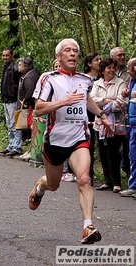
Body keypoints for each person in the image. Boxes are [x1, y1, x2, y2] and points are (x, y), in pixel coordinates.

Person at [28, 38, 114, 244]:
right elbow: (38, 108)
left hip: (79, 138)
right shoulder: (48, 79)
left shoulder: (85, 80)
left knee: (84, 179)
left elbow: (87, 100)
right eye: (68, 50)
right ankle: (40, 186)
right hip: (55, 140)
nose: (73, 54)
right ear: (59, 56)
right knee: (53, 184)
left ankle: (88, 226)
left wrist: (102, 116)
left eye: (75, 50)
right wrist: (63, 102)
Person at [91, 57, 128, 193]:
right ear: (102, 70)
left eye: (113, 67)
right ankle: (107, 181)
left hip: (115, 124)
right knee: (103, 152)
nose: (112, 70)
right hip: (99, 124)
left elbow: (121, 103)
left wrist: (103, 103)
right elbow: (92, 100)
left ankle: (116, 182)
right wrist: (108, 100)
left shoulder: (121, 83)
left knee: (113, 152)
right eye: (109, 67)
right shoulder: (97, 84)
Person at [111, 47, 131, 177]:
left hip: (128, 111)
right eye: (119, 55)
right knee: (112, 145)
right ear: (113, 57)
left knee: (127, 142)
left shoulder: (129, 72)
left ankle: (127, 168)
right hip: (112, 114)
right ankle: (113, 177)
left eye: (123, 55)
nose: (122, 57)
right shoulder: (109, 70)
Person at [0, 49, 22, 157]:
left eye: (7, 55)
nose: (5, 57)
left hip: (13, 100)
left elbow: (19, 84)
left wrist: (17, 98)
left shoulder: (15, 68)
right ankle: (11, 145)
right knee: (9, 124)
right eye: (3, 55)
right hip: (6, 100)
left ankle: (17, 146)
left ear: (12, 56)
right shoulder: (6, 68)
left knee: (14, 124)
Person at [83, 52, 101, 185]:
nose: (99, 62)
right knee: (88, 143)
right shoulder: (83, 78)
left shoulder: (103, 76)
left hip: (100, 112)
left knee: (102, 143)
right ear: (89, 63)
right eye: (96, 60)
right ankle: (88, 174)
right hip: (86, 114)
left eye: (100, 59)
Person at [119, 58, 136, 198]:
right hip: (131, 124)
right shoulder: (132, 82)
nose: (127, 70)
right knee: (133, 157)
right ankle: (133, 186)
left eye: (129, 68)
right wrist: (127, 93)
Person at [17, 57, 39, 161]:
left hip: (31, 107)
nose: (18, 67)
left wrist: (25, 103)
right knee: (31, 129)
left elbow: (30, 91)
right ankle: (30, 150)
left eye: (20, 65)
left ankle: (32, 151)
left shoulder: (30, 77)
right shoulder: (29, 75)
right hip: (30, 106)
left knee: (32, 129)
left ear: (27, 66)